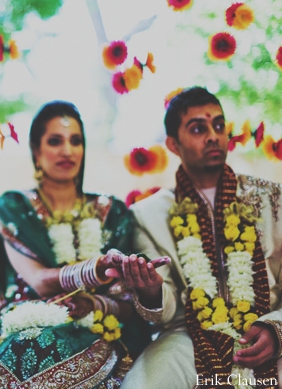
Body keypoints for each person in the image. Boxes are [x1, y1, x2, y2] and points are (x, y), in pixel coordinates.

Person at [0, 101, 152, 389]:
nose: (67, 151)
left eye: (76, 141)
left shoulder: (112, 213)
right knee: (26, 349)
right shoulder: (15, 207)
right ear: (36, 150)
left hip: (100, 329)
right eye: (55, 141)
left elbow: (127, 303)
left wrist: (91, 304)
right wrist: (95, 268)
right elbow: (39, 280)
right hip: (27, 322)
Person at [115, 87, 282, 388]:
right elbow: (162, 313)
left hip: (266, 330)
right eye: (197, 128)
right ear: (173, 144)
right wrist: (152, 291)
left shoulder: (272, 198)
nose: (213, 136)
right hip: (188, 337)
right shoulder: (147, 215)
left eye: (219, 125)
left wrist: (276, 328)